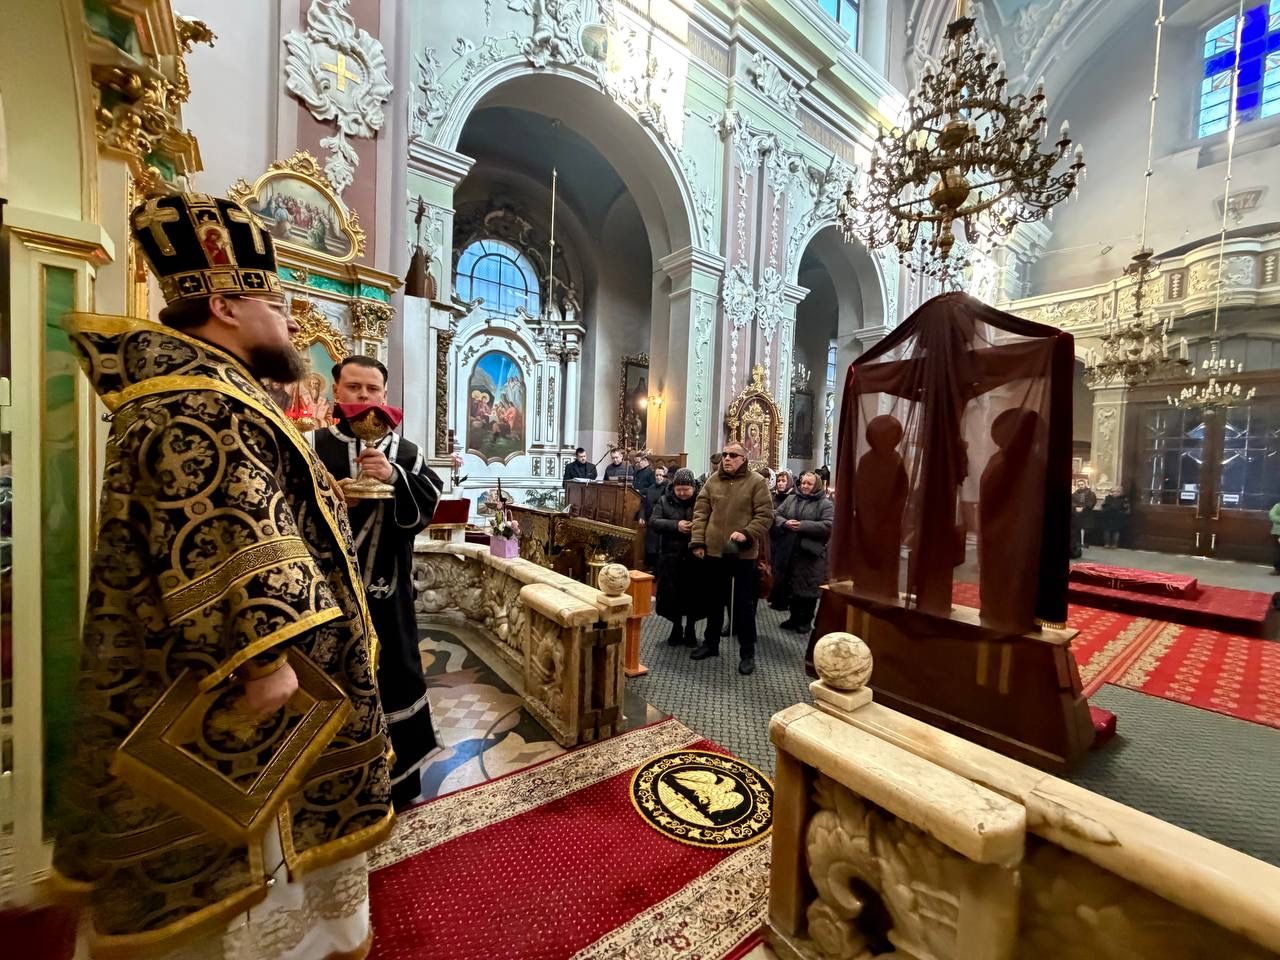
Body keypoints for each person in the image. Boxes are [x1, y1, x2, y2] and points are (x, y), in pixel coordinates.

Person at [54, 194, 389, 958]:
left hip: (217, 673)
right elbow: (221, 530)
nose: (291, 322)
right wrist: (266, 662)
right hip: (244, 691)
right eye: (278, 304)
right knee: (245, 868)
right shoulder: (204, 401)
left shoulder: (206, 388)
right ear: (226, 305)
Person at [315, 354, 444, 809]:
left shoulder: (406, 453)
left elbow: (427, 504)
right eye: (354, 388)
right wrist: (333, 498)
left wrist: (394, 477)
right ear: (337, 391)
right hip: (327, 589)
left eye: (372, 389)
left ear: (385, 395)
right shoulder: (314, 445)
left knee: (396, 671)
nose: (364, 397)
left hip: (388, 588)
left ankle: (400, 778)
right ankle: (335, 777)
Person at [690, 442, 774, 676]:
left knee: (743, 606)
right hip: (714, 552)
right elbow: (700, 513)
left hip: (742, 555)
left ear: (743, 459)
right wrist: (698, 542)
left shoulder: (756, 482)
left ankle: (747, 653)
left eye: (733, 455)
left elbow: (765, 515)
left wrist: (747, 533)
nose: (727, 458)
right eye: (725, 454)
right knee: (713, 602)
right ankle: (711, 643)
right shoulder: (712, 481)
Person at [772, 471, 835, 633]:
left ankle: (805, 621)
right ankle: (793, 618)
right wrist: (785, 523)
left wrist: (802, 526)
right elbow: (777, 515)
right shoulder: (792, 499)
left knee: (808, 588)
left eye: (809, 484)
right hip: (791, 550)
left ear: (816, 485)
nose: (805, 486)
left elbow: (828, 525)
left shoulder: (825, 504)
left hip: (811, 553)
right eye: (803, 483)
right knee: (792, 586)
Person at [649, 468, 705, 645]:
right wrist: (676, 525)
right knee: (672, 595)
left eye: (686, 489)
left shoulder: (702, 500)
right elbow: (654, 521)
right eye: (678, 489)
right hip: (671, 556)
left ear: (693, 488)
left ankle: (691, 628)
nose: (681, 493)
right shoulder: (665, 500)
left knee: (694, 594)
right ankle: (676, 627)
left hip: (695, 556)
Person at [1072, 478, 1098, 551]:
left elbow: (1092, 502)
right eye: (1079, 485)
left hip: (1087, 514)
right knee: (1077, 529)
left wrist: (1083, 507)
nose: (1080, 486)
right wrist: (1076, 507)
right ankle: (1078, 543)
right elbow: (1072, 502)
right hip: (1077, 514)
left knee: (1087, 529)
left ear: (1085, 484)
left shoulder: (1091, 493)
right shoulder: (1075, 494)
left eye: (1082, 484)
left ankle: (1086, 543)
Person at [1269, 499, 1280, 574]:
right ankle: (1278, 569)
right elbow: (1272, 515)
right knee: (1278, 551)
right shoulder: (1278, 505)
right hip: (1278, 533)